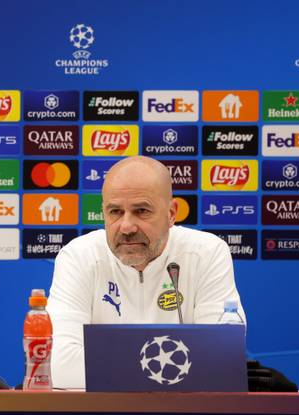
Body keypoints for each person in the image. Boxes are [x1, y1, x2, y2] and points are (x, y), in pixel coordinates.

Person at [47, 156, 245, 389]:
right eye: (115, 212)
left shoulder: (206, 253)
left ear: (172, 213)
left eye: (141, 211)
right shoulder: (79, 256)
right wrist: (171, 366)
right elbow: (58, 367)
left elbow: (221, 362)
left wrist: (105, 365)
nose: (127, 226)